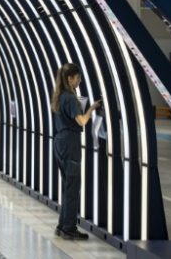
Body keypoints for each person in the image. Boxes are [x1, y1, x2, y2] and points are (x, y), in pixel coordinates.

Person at [51, 63, 102, 240]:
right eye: (77, 77)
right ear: (69, 78)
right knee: (72, 187)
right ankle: (69, 228)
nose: (79, 80)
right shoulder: (71, 98)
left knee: (67, 186)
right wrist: (92, 108)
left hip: (59, 141)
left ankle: (62, 225)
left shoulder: (59, 96)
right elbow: (81, 121)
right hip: (70, 143)